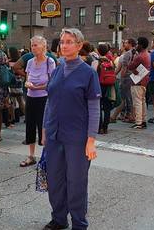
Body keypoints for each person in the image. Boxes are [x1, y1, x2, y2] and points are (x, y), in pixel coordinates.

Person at [42, 28, 100, 230]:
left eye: (68, 42)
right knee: (55, 180)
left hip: (77, 138)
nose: (64, 45)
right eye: (62, 42)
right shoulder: (57, 69)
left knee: (76, 183)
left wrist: (91, 139)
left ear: (79, 46)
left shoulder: (88, 73)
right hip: (54, 134)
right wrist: (44, 130)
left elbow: (94, 108)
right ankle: (59, 219)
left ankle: (79, 223)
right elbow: (50, 102)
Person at [20, 36, 55, 167]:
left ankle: (46, 156)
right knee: (30, 125)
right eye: (32, 45)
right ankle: (31, 155)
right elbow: (27, 79)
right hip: (30, 97)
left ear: (43, 46)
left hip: (44, 97)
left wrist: (37, 87)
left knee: (44, 126)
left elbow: (52, 83)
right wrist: (28, 84)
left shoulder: (49, 62)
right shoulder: (30, 62)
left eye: (35, 45)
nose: (33, 48)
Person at [127, 37, 151, 129]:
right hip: (144, 80)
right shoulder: (147, 54)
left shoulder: (139, 56)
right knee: (142, 101)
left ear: (141, 45)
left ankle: (138, 122)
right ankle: (143, 121)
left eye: (137, 44)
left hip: (137, 81)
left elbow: (130, 66)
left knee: (137, 102)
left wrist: (133, 56)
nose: (136, 46)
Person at [96, 43, 114, 134]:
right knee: (107, 107)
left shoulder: (98, 61)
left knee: (98, 107)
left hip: (99, 85)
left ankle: (99, 127)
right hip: (109, 85)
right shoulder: (110, 61)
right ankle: (105, 127)